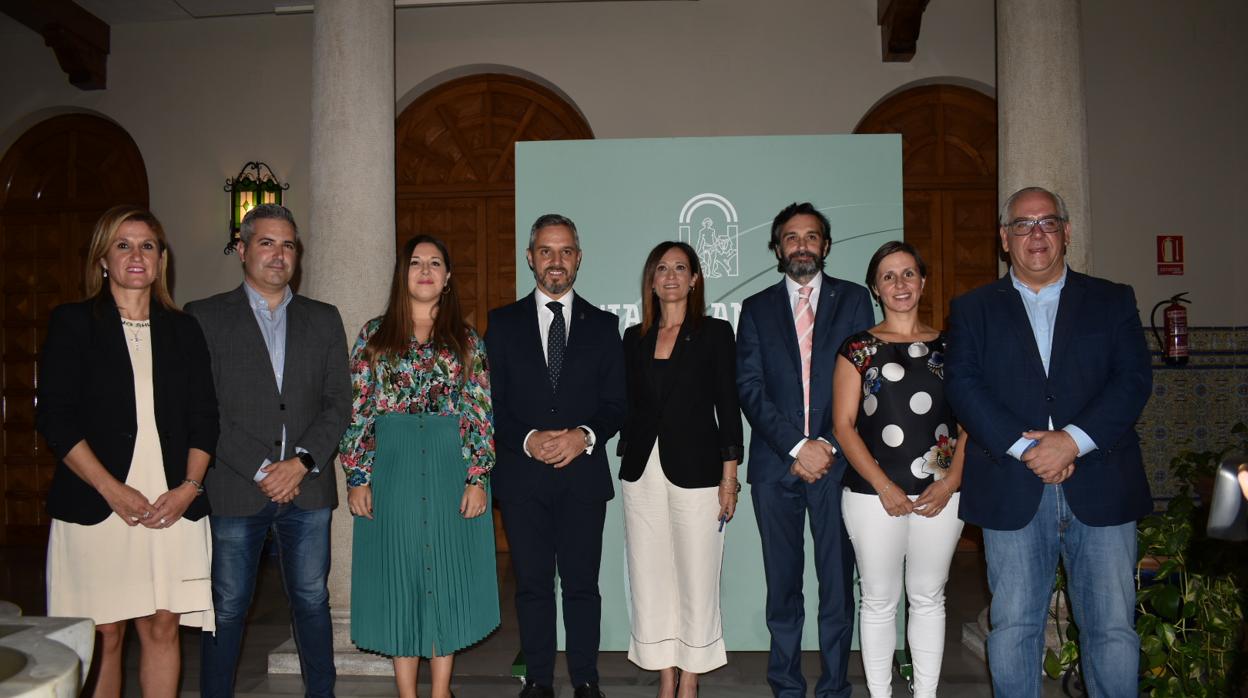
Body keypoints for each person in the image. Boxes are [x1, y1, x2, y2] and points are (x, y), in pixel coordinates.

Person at [945, 186, 1152, 698]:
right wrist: (1029, 449)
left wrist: (1073, 442)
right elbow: (964, 386)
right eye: (1023, 224)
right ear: (1003, 238)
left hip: (1101, 482)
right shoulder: (973, 308)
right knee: (1015, 629)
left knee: (1111, 629)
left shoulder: (1112, 298)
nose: (1036, 233)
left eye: (1047, 222)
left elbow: (1132, 380)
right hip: (1012, 484)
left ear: (1065, 232)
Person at [36, 205, 218, 698]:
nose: (136, 255)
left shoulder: (185, 329)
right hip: (96, 500)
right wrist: (111, 490)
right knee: (104, 634)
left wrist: (189, 489)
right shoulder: (73, 323)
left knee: (161, 626)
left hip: (172, 503)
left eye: (147, 245)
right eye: (123, 244)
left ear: (161, 260)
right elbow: (56, 418)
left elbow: (206, 418)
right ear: (102, 259)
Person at [186, 204, 352, 698]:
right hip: (237, 489)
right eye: (266, 243)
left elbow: (338, 402)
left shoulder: (323, 318)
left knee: (310, 599)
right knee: (230, 604)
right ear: (242, 250)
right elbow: (204, 409)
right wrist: (263, 469)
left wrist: (301, 462)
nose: (278, 255)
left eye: (287, 245)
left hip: (308, 488)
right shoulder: (205, 316)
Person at [340, 234, 500, 698]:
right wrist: (357, 476)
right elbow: (358, 411)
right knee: (400, 580)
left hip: (452, 466)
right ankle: (407, 693)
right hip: (394, 468)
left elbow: (480, 412)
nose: (425, 270)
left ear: (448, 278)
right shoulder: (373, 335)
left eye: (435, 263)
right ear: (402, 274)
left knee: (447, 580)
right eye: (415, 262)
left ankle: (439, 692)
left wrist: (477, 477)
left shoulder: (467, 340)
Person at [483, 214, 626, 698]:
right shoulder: (501, 325)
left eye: (566, 252)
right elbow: (491, 403)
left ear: (579, 259)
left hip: (583, 480)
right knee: (533, 587)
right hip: (523, 481)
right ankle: (539, 681)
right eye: (546, 251)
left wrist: (582, 436)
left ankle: (586, 679)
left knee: (583, 586)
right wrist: (526, 440)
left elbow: (617, 405)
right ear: (531, 258)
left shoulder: (605, 327)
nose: (556, 261)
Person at [736, 202, 874, 698]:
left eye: (810, 236)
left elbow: (863, 379)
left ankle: (836, 687)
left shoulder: (856, 301)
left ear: (826, 246)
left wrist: (829, 447)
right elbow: (749, 387)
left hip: (840, 465)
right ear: (778, 248)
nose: (801, 245)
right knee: (783, 587)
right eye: (791, 237)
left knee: (837, 586)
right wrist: (798, 446)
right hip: (777, 467)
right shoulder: (755, 308)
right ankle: (786, 686)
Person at [831, 241, 965, 697]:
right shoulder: (857, 349)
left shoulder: (953, 346)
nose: (900, 284)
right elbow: (843, 426)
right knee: (879, 600)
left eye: (908, 273)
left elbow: (970, 425)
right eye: (888, 276)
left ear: (923, 282)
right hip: (873, 496)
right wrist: (884, 486)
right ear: (875, 288)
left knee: (929, 597)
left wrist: (951, 482)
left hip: (941, 495)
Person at [618, 241, 743, 698]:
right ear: (651, 280)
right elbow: (626, 406)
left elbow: (728, 408)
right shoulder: (634, 338)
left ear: (694, 279)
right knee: (650, 579)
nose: (670, 276)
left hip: (700, 472)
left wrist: (730, 478)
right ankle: (665, 676)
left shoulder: (714, 334)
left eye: (680, 268)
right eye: (662, 268)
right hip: (641, 471)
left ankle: (690, 678)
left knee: (697, 576)